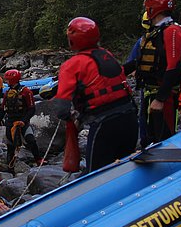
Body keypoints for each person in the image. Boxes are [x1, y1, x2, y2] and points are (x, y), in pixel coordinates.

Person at [54, 17, 138, 172]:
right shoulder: (107, 54)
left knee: (98, 174)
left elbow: (61, 109)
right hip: (130, 117)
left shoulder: (71, 65)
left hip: (104, 125)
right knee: (125, 168)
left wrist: (73, 120)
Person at [124, 0, 181, 145]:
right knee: (149, 138)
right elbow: (139, 62)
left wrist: (160, 99)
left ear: (152, 10)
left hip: (164, 96)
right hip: (151, 93)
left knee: (163, 137)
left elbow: (173, 67)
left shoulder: (172, 31)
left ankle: (168, 163)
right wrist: (115, 74)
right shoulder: (156, 33)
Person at [0, 69, 43, 168]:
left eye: (7, 80)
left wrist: (23, 121)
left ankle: (38, 159)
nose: (6, 82)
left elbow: (31, 109)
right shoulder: (7, 93)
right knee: (10, 145)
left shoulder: (26, 92)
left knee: (31, 140)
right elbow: (3, 110)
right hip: (10, 122)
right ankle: (10, 165)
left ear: (13, 80)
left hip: (22, 121)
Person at [125, 12, 152, 145]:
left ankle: (147, 141)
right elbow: (132, 64)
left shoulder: (143, 41)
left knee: (145, 115)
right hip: (149, 87)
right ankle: (145, 141)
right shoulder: (142, 42)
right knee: (144, 115)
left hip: (155, 88)